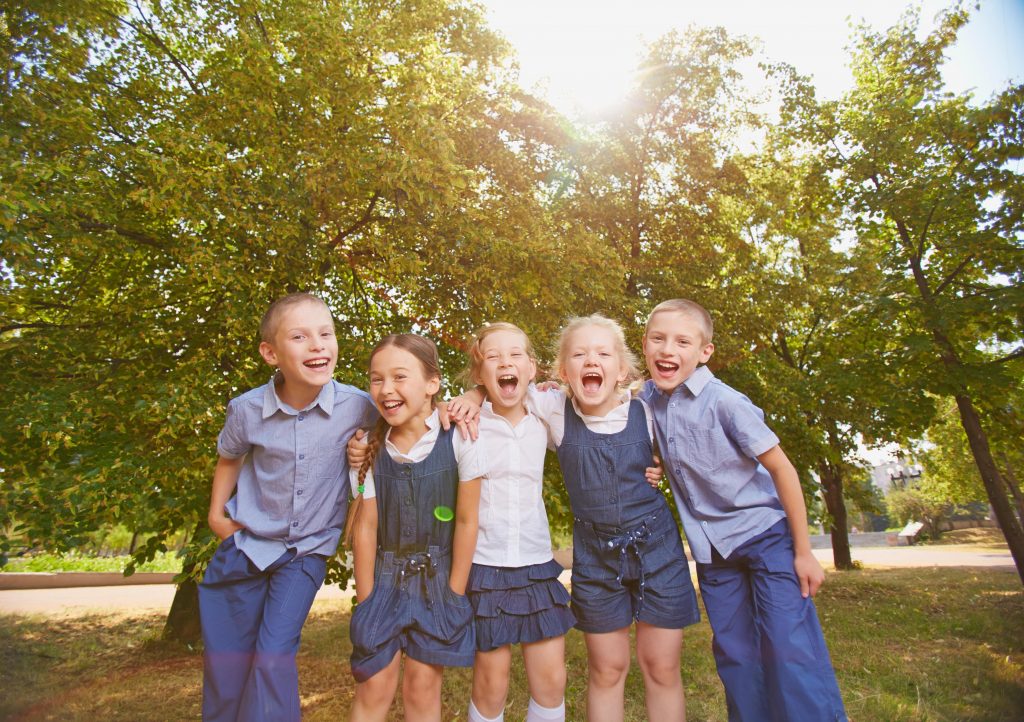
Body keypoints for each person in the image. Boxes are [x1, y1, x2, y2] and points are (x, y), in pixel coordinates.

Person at [454, 314, 699, 722]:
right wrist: (472, 395)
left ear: (622, 369)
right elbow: (500, 383)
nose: (591, 360)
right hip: (597, 558)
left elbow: (677, 458)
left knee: (662, 666)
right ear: (561, 372)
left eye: (603, 353)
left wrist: (656, 468)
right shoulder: (549, 407)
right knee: (607, 667)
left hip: (658, 551)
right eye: (579, 354)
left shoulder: (650, 410)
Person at [641, 298, 847, 722]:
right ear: (644, 344)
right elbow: (592, 382)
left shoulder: (725, 402)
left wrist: (804, 551)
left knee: (787, 648)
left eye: (682, 341)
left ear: (704, 352)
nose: (668, 350)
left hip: (766, 536)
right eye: (657, 339)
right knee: (736, 655)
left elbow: (783, 470)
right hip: (714, 550)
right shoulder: (646, 397)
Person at [199, 292, 377, 722]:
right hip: (247, 546)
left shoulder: (358, 406)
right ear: (270, 352)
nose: (318, 345)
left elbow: (408, 419)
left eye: (326, 333)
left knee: (273, 656)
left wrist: (364, 451)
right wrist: (216, 515)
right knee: (228, 663)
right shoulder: (246, 410)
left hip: (305, 552)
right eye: (300, 336)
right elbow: (230, 456)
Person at [347, 333, 484, 722]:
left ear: (432, 383)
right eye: (376, 379)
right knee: (375, 684)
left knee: (423, 688)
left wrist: (455, 591)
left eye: (399, 377)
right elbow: (366, 527)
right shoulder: (366, 450)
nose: (386, 389)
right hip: (384, 582)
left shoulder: (459, 436)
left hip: (439, 581)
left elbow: (466, 519)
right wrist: (366, 599)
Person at [459, 323, 575, 722]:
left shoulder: (545, 416)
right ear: (479, 373)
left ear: (532, 368)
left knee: (551, 678)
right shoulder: (467, 424)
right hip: (486, 567)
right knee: (492, 681)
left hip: (535, 565)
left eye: (515, 355)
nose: (505, 362)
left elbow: (599, 415)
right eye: (493, 356)